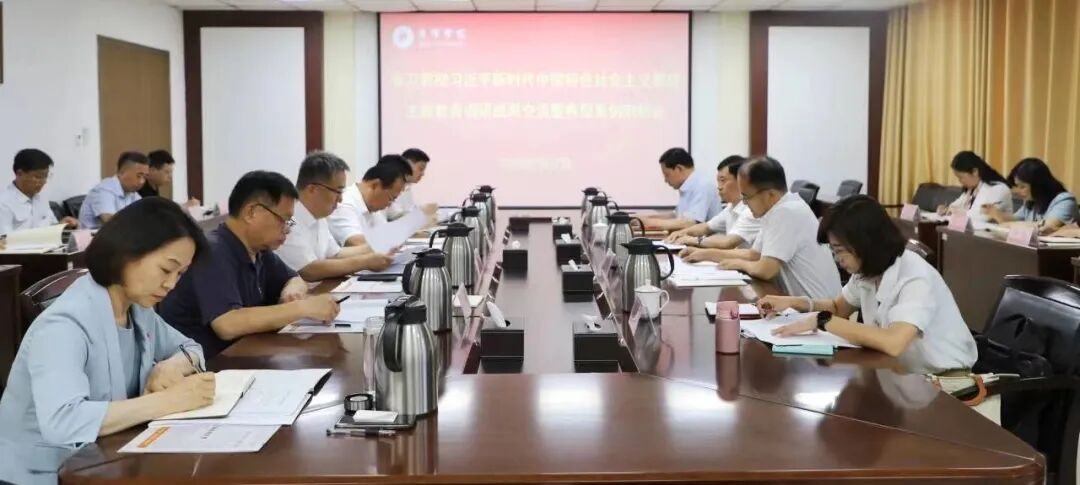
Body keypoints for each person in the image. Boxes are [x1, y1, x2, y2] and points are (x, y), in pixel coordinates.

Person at [0, 198, 216, 485]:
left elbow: (190, 349)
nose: (171, 284)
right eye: (166, 270)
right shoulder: (63, 324)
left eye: (180, 274)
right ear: (126, 252)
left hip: (106, 460)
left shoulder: (137, 308)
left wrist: (171, 366)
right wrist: (168, 401)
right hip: (44, 475)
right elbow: (64, 421)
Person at [762, 195, 977, 373]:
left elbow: (893, 342)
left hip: (945, 381)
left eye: (839, 251)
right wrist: (793, 303)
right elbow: (838, 308)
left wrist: (822, 321)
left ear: (865, 243)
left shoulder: (914, 276)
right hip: (900, 373)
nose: (837, 259)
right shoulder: (868, 269)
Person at [158, 171, 341, 357]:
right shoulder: (213, 251)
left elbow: (294, 278)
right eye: (283, 220)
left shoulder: (259, 250)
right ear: (251, 212)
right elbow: (227, 324)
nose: (287, 229)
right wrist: (300, 308)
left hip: (242, 356)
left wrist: (292, 292)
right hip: (203, 365)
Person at [703, 156, 841, 299]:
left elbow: (765, 270)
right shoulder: (775, 210)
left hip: (818, 308)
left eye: (746, 197)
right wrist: (706, 254)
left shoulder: (786, 213)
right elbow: (753, 255)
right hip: (797, 303)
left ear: (770, 194)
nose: (744, 203)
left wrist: (738, 264)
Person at [276, 152, 394, 281]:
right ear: (312, 189)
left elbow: (335, 254)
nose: (340, 199)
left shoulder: (319, 216)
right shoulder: (289, 219)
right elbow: (308, 270)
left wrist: (376, 247)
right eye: (337, 191)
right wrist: (365, 262)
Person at [664, 155, 761, 253]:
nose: (719, 187)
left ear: (740, 181)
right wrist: (682, 233)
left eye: (723, 180)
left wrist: (693, 240)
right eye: (718, 181)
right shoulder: (731, 207)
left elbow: (728, 242)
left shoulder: (751, 210)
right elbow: (707, 227)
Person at [327, 158, 408, 247]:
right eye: (391, 198)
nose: (390, 205)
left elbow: (384, 234)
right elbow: (355, 241)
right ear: (375, 185)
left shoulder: (372, 206)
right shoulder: (344, 203)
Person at [984, 157, 1077, 234]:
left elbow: (1047, 227)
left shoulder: (1065, 200)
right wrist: (997, 214)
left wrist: (1008, 225)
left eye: (1022, 187)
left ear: (1038, 185)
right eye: (1017, 186)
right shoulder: (1032, 202)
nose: (1017, 191)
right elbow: (1016, 220)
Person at [640, 148, 723, 232]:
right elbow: (676, 215)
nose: (665, 180)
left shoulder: (702, 186)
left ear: (679, 169)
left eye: (667, 175)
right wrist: (646, 218)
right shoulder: (689, 185)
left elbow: (690, 223)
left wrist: (651, 222)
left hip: (708, 239)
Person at [0, 148, 78, 236]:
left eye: (46, 176)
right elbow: (4, 240)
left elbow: (51, 227)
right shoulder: (3, 203)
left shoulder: (41, 198)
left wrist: (62, 225)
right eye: (38, 177)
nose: (44, 181)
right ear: (19, 173)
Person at [78, 151, 149, 229]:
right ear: (121, 172)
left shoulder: (134, 194)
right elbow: (111, 221)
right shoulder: (104, 190)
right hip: (92, 236)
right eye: (138, 176)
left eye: (145, 177)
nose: (142, 182)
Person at [937, 151, 1012, 222]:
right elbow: (955, 206)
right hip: (972, 229)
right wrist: (945, 209)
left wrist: (956, 212)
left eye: (961, 177)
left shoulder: (998, 189)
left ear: (975, 171)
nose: (960, 181)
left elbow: (982, 217)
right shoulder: (972, 189)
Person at [384, 148, 438, 222]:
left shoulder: (407, 187)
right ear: (407, 164)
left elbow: (408, 211)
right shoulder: (389, 184)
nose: (423, 174)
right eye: (421, 169)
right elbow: (394, 215)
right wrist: (422, 212)